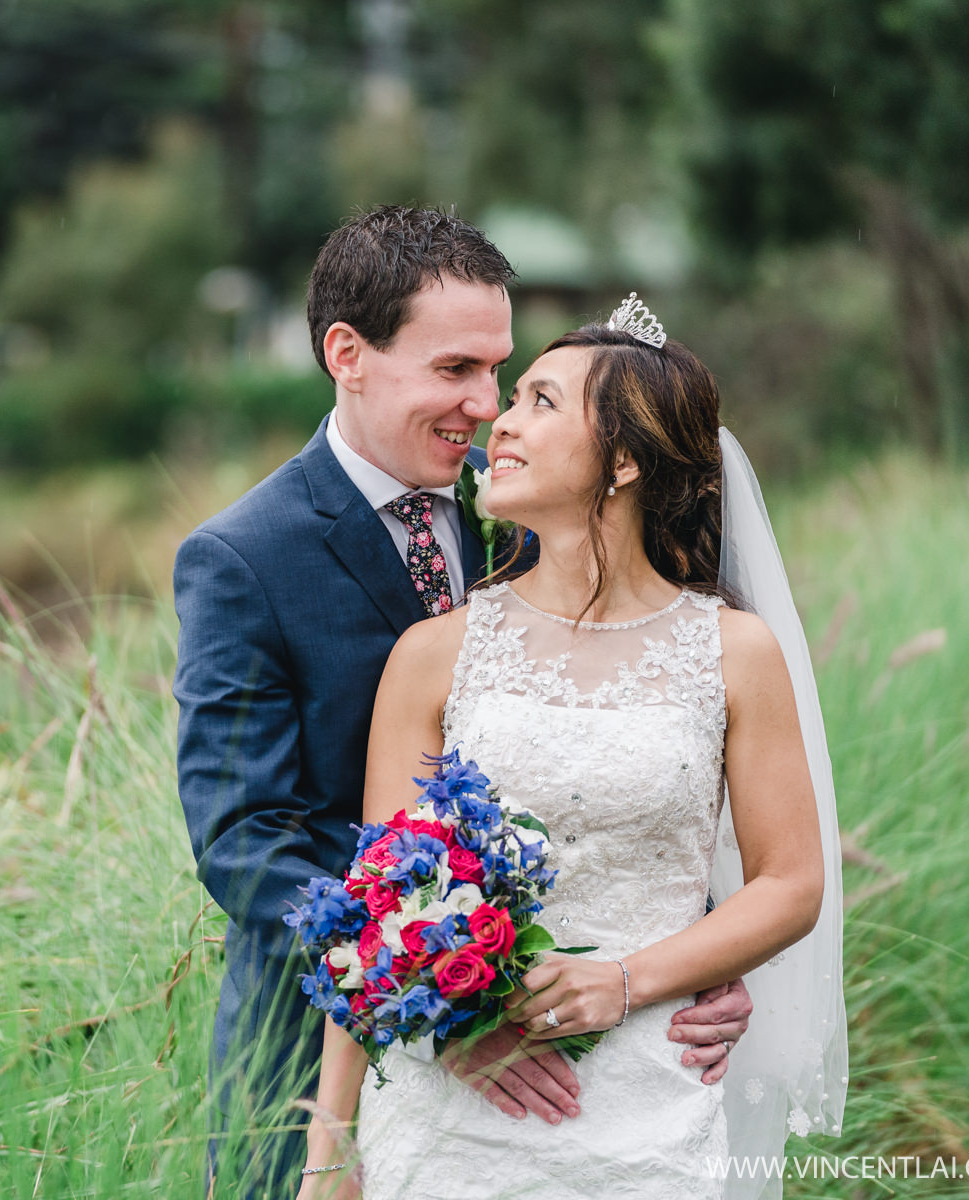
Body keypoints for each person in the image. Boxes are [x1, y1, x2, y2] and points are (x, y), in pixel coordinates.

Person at [172, 208, 754, 1196]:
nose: (487, 405)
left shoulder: (536, 507)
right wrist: (441, 1005)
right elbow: (246, 843)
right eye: (455, 371)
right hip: (321, 1069)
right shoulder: (243, 559)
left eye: (501, 370)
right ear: (348, 354)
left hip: (596, 1065)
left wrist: (680, 955)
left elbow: (613, 753)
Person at [293, 301, 848, 1200]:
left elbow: (790, 883)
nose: (498, 423)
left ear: (624, 461)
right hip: (453, 1111)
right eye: (510, 400)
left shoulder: (733, 652)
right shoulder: (435, 653)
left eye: (540, 403)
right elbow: (379, 903)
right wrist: (330, 1149)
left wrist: (625, 983)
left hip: (654, 1103)